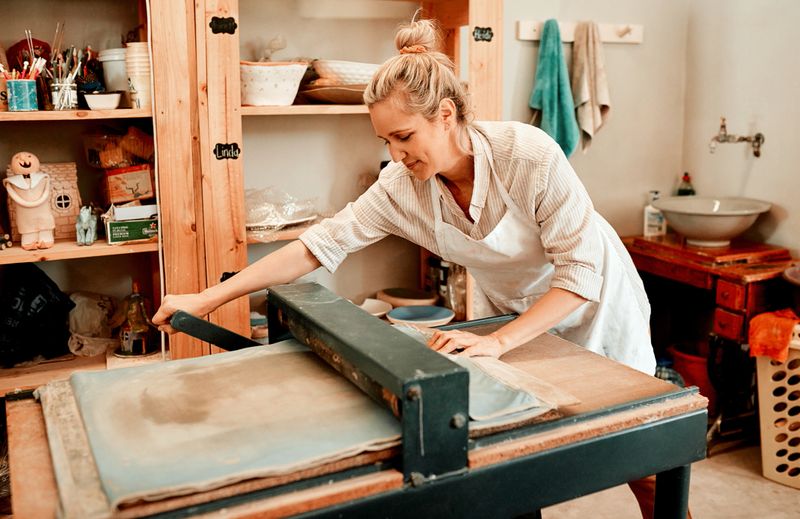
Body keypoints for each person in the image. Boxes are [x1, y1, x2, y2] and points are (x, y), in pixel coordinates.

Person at [154, 19, 682, 519]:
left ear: (446, 115)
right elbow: (318, 245)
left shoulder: (528, 156)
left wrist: (501, 342)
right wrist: (206, 299)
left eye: (404, 136)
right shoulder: (401, 187)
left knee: (639, 457)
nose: (396, 153)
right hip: (512, 313)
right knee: (519, 455)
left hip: (593, 306)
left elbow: (580, 276)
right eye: (385, 141)